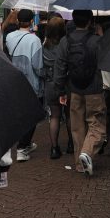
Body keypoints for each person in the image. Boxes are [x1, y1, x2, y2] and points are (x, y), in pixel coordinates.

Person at [53, 8, 105, 176]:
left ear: (73, 20)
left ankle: (80, 164)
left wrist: (60, 89)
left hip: (74, 89)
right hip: (94, 88)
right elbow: (104, 63)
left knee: (77, 126)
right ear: (90, 21)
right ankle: (87, 153)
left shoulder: (65, 41)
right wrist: (101, 36)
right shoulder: (97, 41)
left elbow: (60, 67)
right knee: (97, 123)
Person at [4, 8, 43, 160]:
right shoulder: (35, 40)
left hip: (15, 82)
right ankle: (22, 147)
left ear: (18, 20)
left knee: (20, 114)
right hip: (31, 83)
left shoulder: (9, 36)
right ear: (32, 21)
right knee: (32, 115)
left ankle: (22, 144)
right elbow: (38, 66)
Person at [42, 13, 71, 159]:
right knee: (69, 114)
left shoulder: (44, 46)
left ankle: (54, 148)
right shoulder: (66, 44)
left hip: (50, 85)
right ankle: (72, 144)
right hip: (66, 84)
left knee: (54, 116)